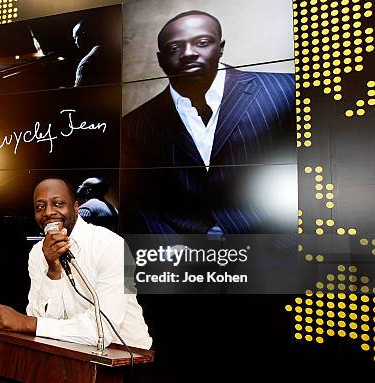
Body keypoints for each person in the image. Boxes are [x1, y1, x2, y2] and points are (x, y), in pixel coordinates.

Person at [122, 10, 295, 234]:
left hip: (277, 252)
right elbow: (140, 204)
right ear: (160, 59)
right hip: (181, 259)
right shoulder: (134, 125)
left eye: (202, 42)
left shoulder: (286, 92)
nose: (188, 53)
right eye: (174, 48)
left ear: (220, 47)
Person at [0, 178, 152, 349]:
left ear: (76, 208)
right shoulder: (37, 253)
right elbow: (41, 319)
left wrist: (24, 322)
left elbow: (101, 332)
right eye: (40, 207)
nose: (48, 212)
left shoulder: (111, 245)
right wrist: (53, 271)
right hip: (71, 351)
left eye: (58, 204)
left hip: (126, 357)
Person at [72, 18, 117, 87]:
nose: (75, 42)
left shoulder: (86, 62)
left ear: (83, 34)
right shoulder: (112, 53)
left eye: (75, 37)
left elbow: (79, 91)